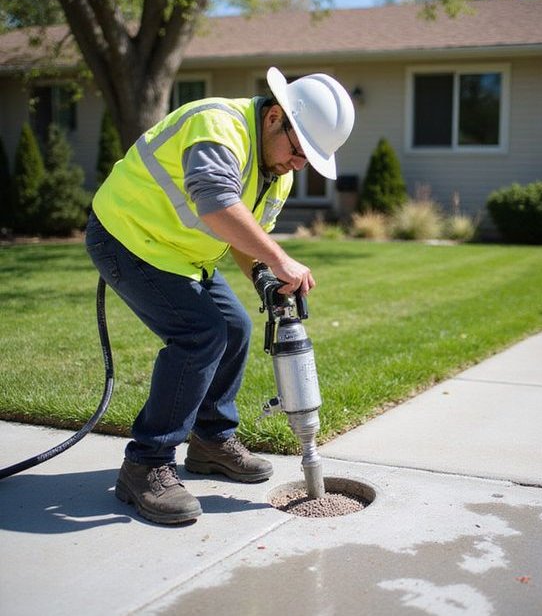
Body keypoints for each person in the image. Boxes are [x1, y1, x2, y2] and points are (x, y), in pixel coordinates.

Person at [85, 67, 355, 524]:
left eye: (309, 158)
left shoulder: (277, 174)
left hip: (182, 255)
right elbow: (214, 202)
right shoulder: (218, 125)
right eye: (298, 149)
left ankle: (210, 440)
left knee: (236, 326)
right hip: (127, 238)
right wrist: (282, 259)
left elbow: (241, 240)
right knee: (200, 333)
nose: (298, 164)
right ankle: (145, 464)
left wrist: (264, 278)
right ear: (274, 118)